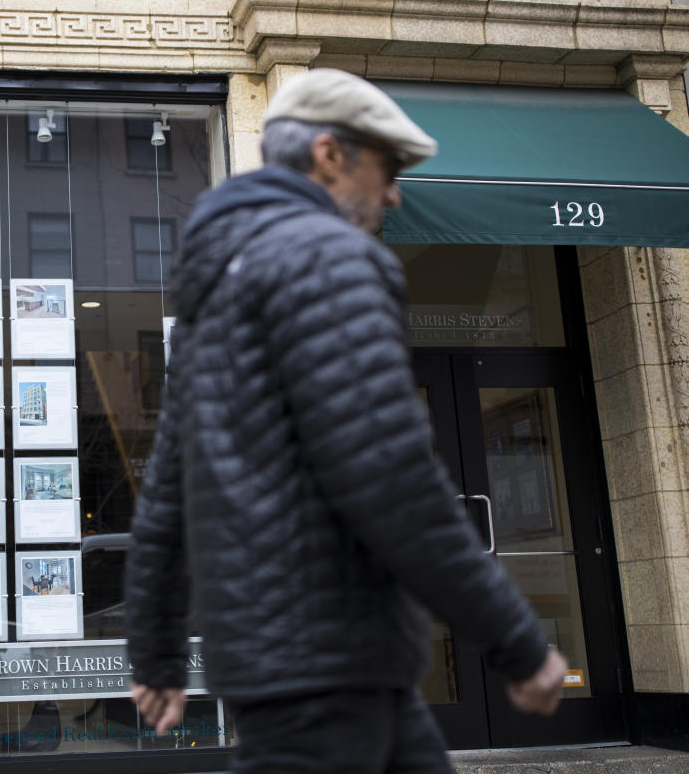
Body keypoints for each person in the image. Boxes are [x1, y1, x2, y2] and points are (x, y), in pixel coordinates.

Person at [123, 69, 568, 774]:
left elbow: (168, 491)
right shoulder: (330, 259)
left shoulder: (220, 286)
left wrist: (155, 651)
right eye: (388, 168)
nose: (395, 193)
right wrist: (517, 640)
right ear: (330, 154)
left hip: (317, 666)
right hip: (325, 663)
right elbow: (391, 477)